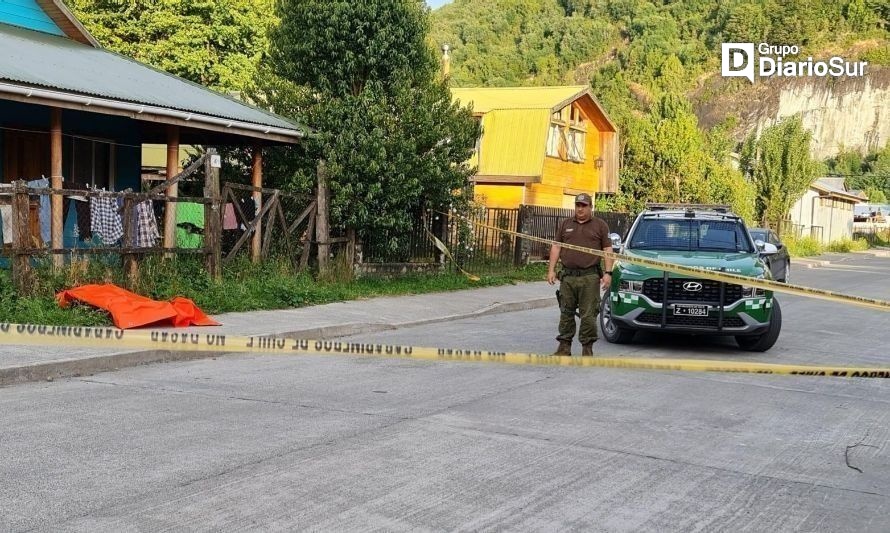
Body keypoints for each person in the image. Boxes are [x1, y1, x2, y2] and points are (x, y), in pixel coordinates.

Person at [547, 193, 613, 356]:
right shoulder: (565, 224)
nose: (580, 209)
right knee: (566, 312)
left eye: (584, 206)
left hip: (589, 277)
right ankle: (564, 347)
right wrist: (551, 270)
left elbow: (607, 250)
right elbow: (556, 246)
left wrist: (608, 273)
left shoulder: (600, 225)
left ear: (591, 207)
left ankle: (587, 348)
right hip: (568, 277)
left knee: (589, 314)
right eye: (578, 205)